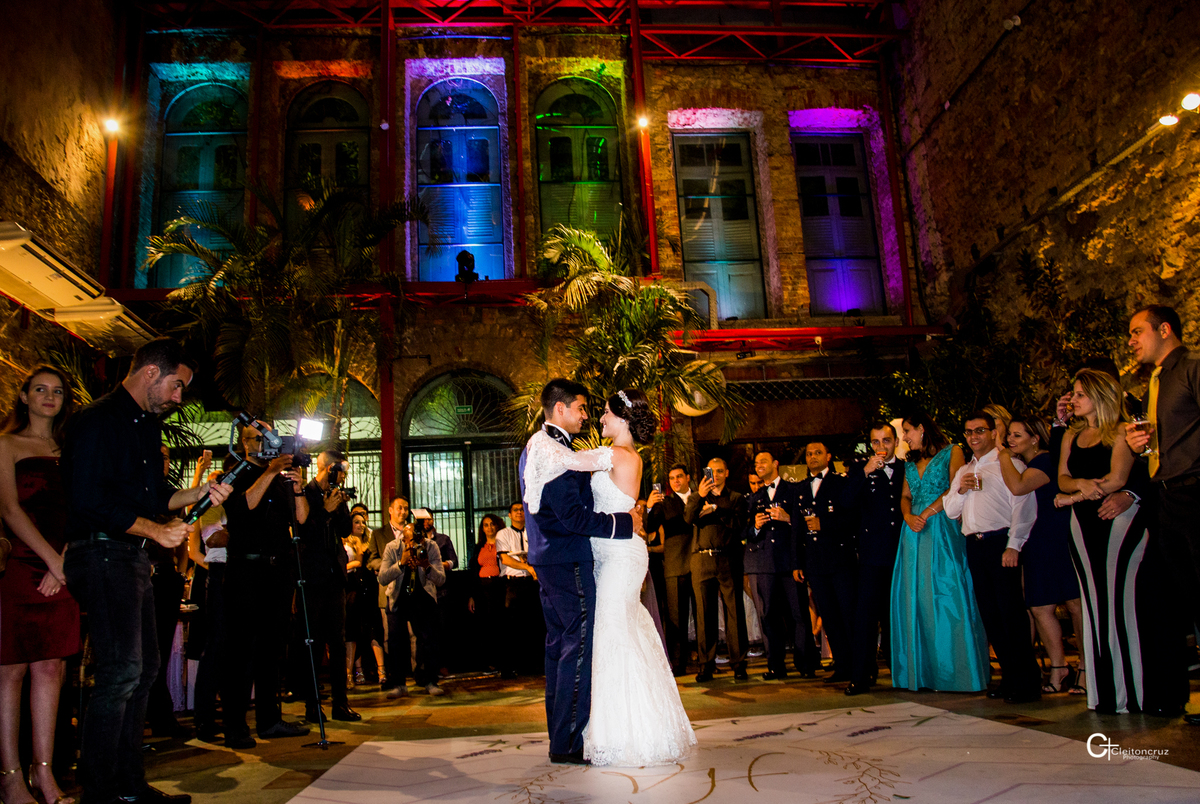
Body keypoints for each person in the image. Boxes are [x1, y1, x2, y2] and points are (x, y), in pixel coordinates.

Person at [61, 338, 232, 804]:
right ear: (151, 372)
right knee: (120, 671)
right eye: (177, 385)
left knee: (145, 668)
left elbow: (157, 497)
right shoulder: (97, 420)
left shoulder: (145, 427)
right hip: (100, 554)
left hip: (131, 557)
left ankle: (130, 785)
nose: (179, 397)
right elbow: (88, 500)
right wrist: (155, 531)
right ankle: (99, 791)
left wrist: (201, 493)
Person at [520, 379, 640, 765]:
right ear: (560, 408)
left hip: (549, 559)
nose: (586, 415)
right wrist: (625, 524)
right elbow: (571, 516)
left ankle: (561, 736)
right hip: (567, 558)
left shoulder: (543, 447)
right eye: (581, 408)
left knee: (559, 647)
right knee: (578, 645)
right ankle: (569, 741)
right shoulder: (551, 450)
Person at [1059, 368, 1187, 715]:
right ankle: (1105, 693)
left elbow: (1118, 479)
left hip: (1118, 522)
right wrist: (1078, 487)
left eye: (1080, 394)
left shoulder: (1121, 431)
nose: (1073, 400)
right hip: (1082, 525)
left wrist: (1075, 494)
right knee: (1094, 605)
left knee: (1123, 604)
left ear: (1100, 396)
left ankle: (1133, 692)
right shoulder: (1071, 434)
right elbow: (1062, 477)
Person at [583, 390, 695, 766]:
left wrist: (543, 443)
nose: (600, 418)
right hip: (612, 552)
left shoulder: (617, 455)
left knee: (613, 634)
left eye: (605, 413)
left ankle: (624, 733)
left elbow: (568, 461)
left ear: (623, 419)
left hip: (619, 555)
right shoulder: (625, 455)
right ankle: (627, 727)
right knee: (620, 632)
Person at [0, 367, 79, 804]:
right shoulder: (6, 444)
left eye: (57, 391)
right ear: (25, 396)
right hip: (19, 566)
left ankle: (44, 775)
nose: (49, 397)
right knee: (9, 671)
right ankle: (11, 779)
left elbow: (83, 509)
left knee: (51, 669)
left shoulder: (72, 449)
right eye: (40, 389)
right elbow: (9, 509)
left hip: (62, 566)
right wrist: (51, 559)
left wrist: (63, 560)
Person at [1125, 304, 1200, 724]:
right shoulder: (1153, 382)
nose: (1131, 341)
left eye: (1138, 331)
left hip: (1195, 491)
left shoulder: (1192, 368)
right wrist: (1142, 446)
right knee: (1187, 599)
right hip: (1166, 497)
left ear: (1165, 329)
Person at [220, 420, 311, 748]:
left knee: (272, 649)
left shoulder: (283, 480)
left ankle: (269, 720)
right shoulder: (235, 474)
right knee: (241, 651)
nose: (264, 443)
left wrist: (297, 487)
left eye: (268, 438)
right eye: (257, 439)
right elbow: (244, 507)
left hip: (278, 571)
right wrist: (270, 471)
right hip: (246, 571)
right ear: (244, 442)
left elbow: (301, 518)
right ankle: (235, 727)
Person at [944, 411, 1041, 704]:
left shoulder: (1008, 463)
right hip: (974, 544)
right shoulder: (965, 470)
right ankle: (1009, 677)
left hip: (1000, 541)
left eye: (980, 431)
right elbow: (950, 510)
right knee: (990, 614)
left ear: (993, 432)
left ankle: (1027, 681)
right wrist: (962, 489)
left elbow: (1023, 507)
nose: (974, 437)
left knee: (1011, 613)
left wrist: (1014, 545)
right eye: (969, 432)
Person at [889, 411, 989, 692]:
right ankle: (923, 673)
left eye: (907, 431)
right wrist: (908, 515)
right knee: (916, 596)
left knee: (947, 591)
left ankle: (955, 671)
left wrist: (929, 512)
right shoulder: (910, 463)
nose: (905, 438)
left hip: (942, 526)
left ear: (922, 428)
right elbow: (905, 495)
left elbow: (956, 489)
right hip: (913, 531)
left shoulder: (952, 452)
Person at [997, 416, 1084, 694]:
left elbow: (1018, 486)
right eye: (1009, 435)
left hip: (1057, 533)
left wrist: (1003, 456)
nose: (1010, 440)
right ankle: (1059, 667)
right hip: (1034, 537)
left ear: (1035, 438)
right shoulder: (1022, 463)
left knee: (1074, 603)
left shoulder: (1045, 460)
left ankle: (1086, 668)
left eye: (1017, 435)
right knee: (1039, 606)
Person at [841, 422, 905, 696]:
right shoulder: (860, 469)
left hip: (902, 554)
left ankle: (903, 673)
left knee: (898, 616)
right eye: (876, 442)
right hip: (871, 556)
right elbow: (845, 501)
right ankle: (861, 676)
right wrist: (865, 471)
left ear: (896, 441)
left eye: (886, 440)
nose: (881, 447)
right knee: (866, 617)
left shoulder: (906, 469)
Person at [744, 451, 818, 679]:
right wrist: (756, 526)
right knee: (769, 615)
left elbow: (806, 524)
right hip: (765, 564)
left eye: (763, 461)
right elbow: (747, 534)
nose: (759, 465)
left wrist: (788, 518)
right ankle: (776, 666)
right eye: (756, 463)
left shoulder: (794, 490)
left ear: (775, 464)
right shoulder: (755, 497)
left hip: (790, 562)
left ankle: (806, 664)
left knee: (798, 614)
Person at [299, 450, 359, 723]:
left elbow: (345, 530)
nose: (341, 477)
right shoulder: (306, 493)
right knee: (313, 642)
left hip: (335, 577)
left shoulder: (336, 493)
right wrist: (325, 510)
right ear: (326, 467)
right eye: (338, 471)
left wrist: (340, 505)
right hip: (312, 577)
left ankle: (340, 703)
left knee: (338, 641)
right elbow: (303, 533)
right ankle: (313, 705)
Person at [797, 442, 856, 684]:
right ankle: (842, 666)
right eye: (809, 454)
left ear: (829, 456)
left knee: (848, 614)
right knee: (829, 617)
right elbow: (797, 530)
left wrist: (825, 524)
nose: (813, 457)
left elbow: (852, 519)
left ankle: (861, 666)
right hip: (815, 562)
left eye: (818, 453)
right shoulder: (801, 488)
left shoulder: (841, 482)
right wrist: (798, 562)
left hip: (840, 559)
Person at [684, 457, 748, 683]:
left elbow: (739, 525)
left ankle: (738, 663)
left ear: (727, 473)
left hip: (728, 558)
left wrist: (716, 509)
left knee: (734, 611)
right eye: (712, 471)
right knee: (704, 614)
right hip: (702, 559)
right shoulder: (697, 497)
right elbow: (688, 518)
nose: (716, 475)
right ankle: (706, 665)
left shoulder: (736, 498)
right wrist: (700, 497)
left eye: (720, 471)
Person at [378, 520, 445, 697]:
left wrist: (426, 566)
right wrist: (401, 563)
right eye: (410, 540)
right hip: (398, 597)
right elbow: (382, 578)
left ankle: (430, 681)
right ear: (403, 539)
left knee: (429, 640)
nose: (414, 544)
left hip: (423, 597)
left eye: (418, 540)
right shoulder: (392, 547)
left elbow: (441, 579)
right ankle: (399, 684)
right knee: (396, 641)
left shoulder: (431, 547)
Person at [643, 463, 695, 676]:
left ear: (688, 477)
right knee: (675, 619)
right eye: (672, 478)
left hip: (699, 563)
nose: (676, 481)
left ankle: (707, 663)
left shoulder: (700, 497)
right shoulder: (665, 503)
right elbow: (649, 527)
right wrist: (649, 507)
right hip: (674, 565)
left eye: (679, 477)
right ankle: (677, 664)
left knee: (703, 617)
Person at [365, 495, 412, 688]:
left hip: (411, 588)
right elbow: (372, 560)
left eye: (406, 508)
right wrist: (390, 566)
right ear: (390, 510)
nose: (403, 512)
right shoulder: (378, 534)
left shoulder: (412, 532)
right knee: (390, 635)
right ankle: (394, 674)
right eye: (399, 508)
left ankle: (417, 672)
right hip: (388, 589)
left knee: (414, 634)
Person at [495, 502, 540, 677]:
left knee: (532, 625)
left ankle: (530, 666)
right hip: (513, 584)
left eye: (522, 510)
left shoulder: (533, 531)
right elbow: (505, 559)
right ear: (509, 515)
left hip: (532, 582)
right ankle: (508, 668)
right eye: (515, 510)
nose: (519, 513)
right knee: (511, 627)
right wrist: (527, 566)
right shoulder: (503, 534)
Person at [468, 514, 504, 672]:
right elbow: (474, 572)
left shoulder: (503, 543)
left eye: (492, 524)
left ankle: (501, 661)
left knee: (499, 625)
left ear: (497, 525)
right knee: (484, 626)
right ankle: (487, 662)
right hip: (482, 589)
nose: (489, 527)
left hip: (499, 586)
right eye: (485, 525)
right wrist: (472, 595)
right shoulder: (479, 547)